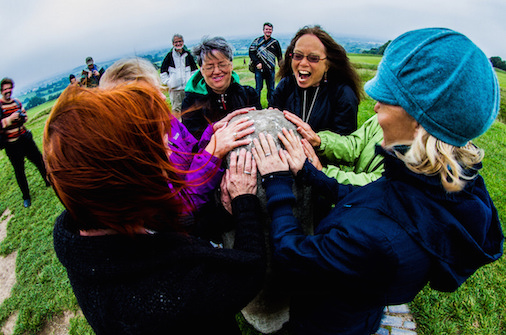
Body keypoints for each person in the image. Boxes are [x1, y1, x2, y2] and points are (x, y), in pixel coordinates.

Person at [253, 28, 503, 335]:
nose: (375, 108)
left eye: (385, 98)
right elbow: (376, 198)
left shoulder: (377, 238)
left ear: (418, 118)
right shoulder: (438, 180)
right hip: (360, 310)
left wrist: (277, 183)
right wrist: (310, 174)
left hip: (326, 322)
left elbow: (293, 256)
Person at [46, 83, 266, 334]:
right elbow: (247, 273)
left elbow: (168, 232)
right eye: (158, 148)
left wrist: (224, 214)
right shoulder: (167, 291)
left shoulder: (95, 219)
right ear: (131, 178)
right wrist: (244, 203)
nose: (170, 151)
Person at [99, 57, 255, 212]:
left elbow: (193, 150)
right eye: (149, 97)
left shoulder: (167, 121)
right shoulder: (129, 157)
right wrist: (213, 152)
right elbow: (181, 209)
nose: (161, 97)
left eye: (158, 90)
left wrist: (212, 132)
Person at [270, 25, 361, 135]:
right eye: (298, 56)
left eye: (313, 58)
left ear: (327, 64)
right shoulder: (285, 85)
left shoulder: (343, 94)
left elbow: (345, 145)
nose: (303, 63)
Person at [182, 36, 262, 139]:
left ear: (231, 65)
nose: (216, 71)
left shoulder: (249, 94)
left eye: (222, 64)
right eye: (210, 67)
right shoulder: (191, 103)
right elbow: (192, 142)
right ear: (201, 70)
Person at [284, 111, 384, 186]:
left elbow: (378, 187)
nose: (376, 108)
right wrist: (320, 141)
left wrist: (322, 172)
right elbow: (354, 147)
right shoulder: (380, 118)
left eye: (388, 101)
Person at [0, 77, 48, 208]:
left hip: (24, 138)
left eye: (10, 88)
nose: (8, 91)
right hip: (12, 144)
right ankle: (26, 196)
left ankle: (48, 180)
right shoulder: (0, 106)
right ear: (1, 91)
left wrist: (23, 117)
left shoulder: (16, 102)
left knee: (39, 160)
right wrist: (9, 119)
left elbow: (25, 117)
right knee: (19, 171)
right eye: (5, 89)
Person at [160, 34, 198, 120]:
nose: (178, 43)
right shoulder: (169, 57)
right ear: (173, 44)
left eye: (180, 41)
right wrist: (169, 82)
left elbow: (194, 70)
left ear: (183, 42)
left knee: (190, 108)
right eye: (176, 42)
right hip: (175, 90)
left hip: (187, 88)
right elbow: (163, 72)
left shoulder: (188, 55)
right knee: (176, 110)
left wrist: (191, 82)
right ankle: (179, 128)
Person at [249, 22, 283, 105]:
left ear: (272, 31)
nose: (268, 31)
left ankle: (271, 105)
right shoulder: (257, 41)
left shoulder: (275, 42)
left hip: (270, 69)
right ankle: (257, 106)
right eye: (267, 29)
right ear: (263, 30)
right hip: (259, 69)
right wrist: (257, 62)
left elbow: (279, 55)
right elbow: (251, 52)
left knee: (271, 89)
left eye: (270, 29)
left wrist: (281, 66)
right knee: (258, 88)